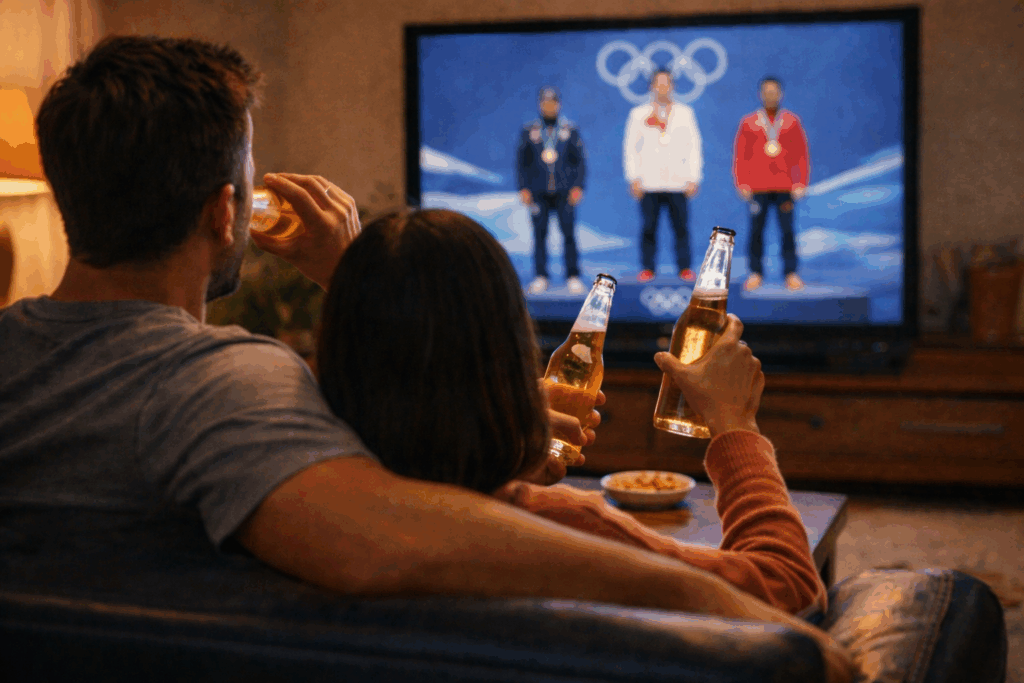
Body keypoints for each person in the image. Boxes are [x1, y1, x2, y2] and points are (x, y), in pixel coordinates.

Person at [0, 35, 854, 683]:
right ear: (230, 213)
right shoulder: (222, 381)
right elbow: (396, 540)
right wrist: (711, 589)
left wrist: (364, 278)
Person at [318, 207, 826, 615]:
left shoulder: (310, 506)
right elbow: (790, 588)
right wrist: (736, 426)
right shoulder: (562, 529)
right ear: (509, 349)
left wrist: (499, 444)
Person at [622, 69, 702, 283]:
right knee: (648, 227)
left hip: (678, 182)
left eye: (667, 83)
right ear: (651, 87)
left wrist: (694, 177)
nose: (663, 87)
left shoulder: (686, 113)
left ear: (673, 86)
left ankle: (684, 268)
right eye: (659, 83)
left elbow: (694, 146)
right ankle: (648, 268)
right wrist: (633, 177)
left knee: (681, 228)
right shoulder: (638, 114)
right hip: (649, 182)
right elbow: (631, 147)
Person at [733, 76, 810, 292]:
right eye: (766, 91)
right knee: (756, 231)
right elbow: (741, 154)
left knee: (787, 231)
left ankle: (791, 273)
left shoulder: (792, 121)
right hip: (758, 187)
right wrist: (741, 181)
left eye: (774, 91)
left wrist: (801, 181)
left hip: (785, 186)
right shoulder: (749, 122)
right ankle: (755, 273)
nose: (770, 95)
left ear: (781, 94)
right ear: (760, 94)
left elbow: (801, 154)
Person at [516, 86, 587, 296]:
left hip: (565, 192)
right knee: (539, 235)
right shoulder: (530, 131)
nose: (549, 106)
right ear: (540, 105)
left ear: (559, 105)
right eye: (545, 103)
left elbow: (580, 161)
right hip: (538, 192)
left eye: (552, 102)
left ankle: (572, 276)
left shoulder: (569, 130)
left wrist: (578, 186)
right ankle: (541, 276)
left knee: (569, 234)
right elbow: (522, 163)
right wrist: (523, 188)